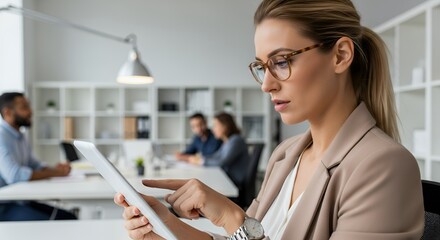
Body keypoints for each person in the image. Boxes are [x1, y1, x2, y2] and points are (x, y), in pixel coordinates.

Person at [114, 0, 424, 239]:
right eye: (262, 66)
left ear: (340, 55)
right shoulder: (285, 156)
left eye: (281, 61)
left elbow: (243, 231)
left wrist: (233, 218)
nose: (266, 84)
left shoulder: (384, 166)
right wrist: (167, 228)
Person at [0, 92, 77, 221]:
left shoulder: (20, 136)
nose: (30, 111)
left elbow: (34, 164)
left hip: (21, 201)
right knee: (59, 223)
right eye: (24, 107)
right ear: (7, 112)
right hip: (4, 205)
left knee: (69, 217)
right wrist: (55, 173)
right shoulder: (1, 136)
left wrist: (56, 170)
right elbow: (14, 175)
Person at [188, 112, 250, 189]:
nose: (213, 129)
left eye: (215, 126)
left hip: (234, 182)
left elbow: (221, 162)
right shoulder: (227, 141)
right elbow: (216, 156)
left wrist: (201, 161)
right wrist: (201, 159)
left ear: (225, 126)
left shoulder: (236, 140)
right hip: (228, 179)